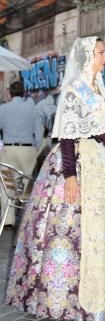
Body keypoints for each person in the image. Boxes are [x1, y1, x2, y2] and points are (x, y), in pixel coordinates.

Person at [6, 36, 105, 321]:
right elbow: (67, 135)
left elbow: (102, 128)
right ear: (85, 57)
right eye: (100, 53)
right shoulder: (73, 91)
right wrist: (70, 177)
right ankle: (79, 299)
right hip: (80, 162)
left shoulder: (100, 88)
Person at [0, 80, 44, 226]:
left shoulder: (3, 109)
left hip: (8, 150)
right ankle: (27, 221)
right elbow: (39, 132)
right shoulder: (33, 109)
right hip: (27, 150)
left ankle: (8, 219)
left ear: (10, 93)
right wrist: (35, 149)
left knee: (8, 185)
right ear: (23, 93)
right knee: (26, 186)